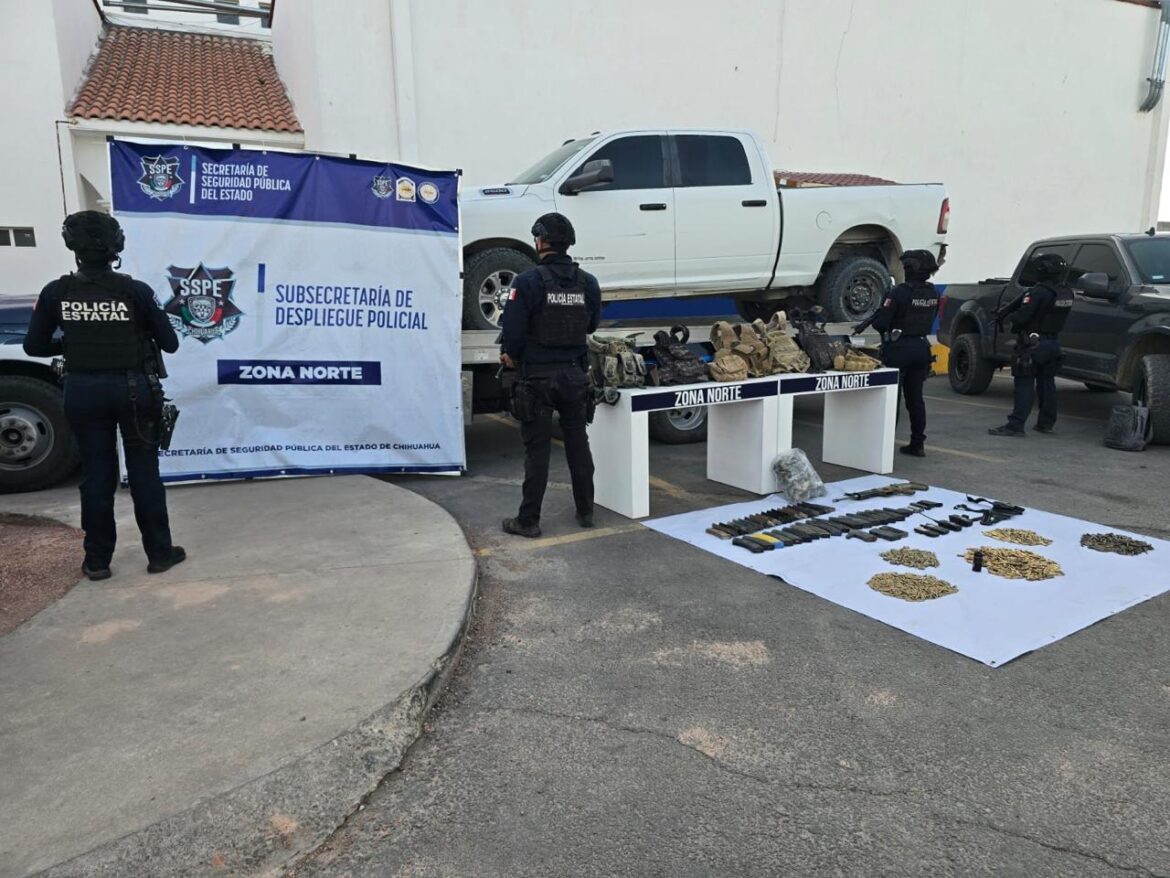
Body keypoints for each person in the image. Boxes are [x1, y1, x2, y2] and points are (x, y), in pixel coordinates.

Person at [23, 210, 186, 580]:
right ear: (116, 246)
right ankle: (160, 553)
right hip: (135, 391)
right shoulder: (136, 291)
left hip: (82, 391)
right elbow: (170, 343)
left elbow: (34, 347)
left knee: (96, 475)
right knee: (144, 474)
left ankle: (97, 561)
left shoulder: (56, 292)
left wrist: (73, 343)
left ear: (72, 246)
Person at [499, 213, 602, 538]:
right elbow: (591, 325)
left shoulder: (526, 282)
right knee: (578, 444)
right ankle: (586, 511)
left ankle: (528, 521)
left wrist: (511, 355)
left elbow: (513, 333)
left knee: (537, 451)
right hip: (574, 375)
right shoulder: (588, 282)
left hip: (538, 379)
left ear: (541, 241)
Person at [858, 249, 940, 457]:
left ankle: (884, 448)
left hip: (899, 349)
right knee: (916, 399)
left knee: (891, 399)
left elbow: (881, 323)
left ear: (910, 268)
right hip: (922, 348)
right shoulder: (933, 292)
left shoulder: (899, 292)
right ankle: (918, 444)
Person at [988, 252, 1074, 437]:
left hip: (1032, 344)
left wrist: (1011, 317)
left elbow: (1022, 318)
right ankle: (1046, 423)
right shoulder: (1066, 292)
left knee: (1024, 384)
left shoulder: (1038, 292)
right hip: (1053, 343)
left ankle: (1015, 425)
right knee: (1047, 384)